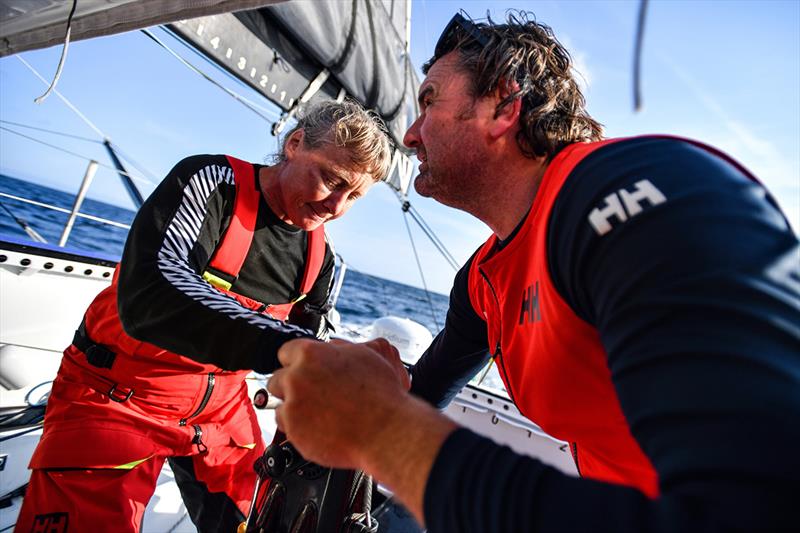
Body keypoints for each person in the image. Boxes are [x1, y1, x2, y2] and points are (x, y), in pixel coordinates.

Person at [266, 11, 800, 532]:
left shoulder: (640, 193)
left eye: (429, 102)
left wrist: (380, 430)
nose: (410, 134)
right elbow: (418, 394)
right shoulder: (483, 280)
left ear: (503, 104)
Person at [16, 100, 393, 532]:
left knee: (261, 519)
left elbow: (308, 352)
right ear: (294, 144)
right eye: (331, 179)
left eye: (355, 196)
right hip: (119, 397)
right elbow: (151, 292)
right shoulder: (213, 183)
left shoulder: (320, 259)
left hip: (221, 411)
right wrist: (292, 347)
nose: (336, 206)